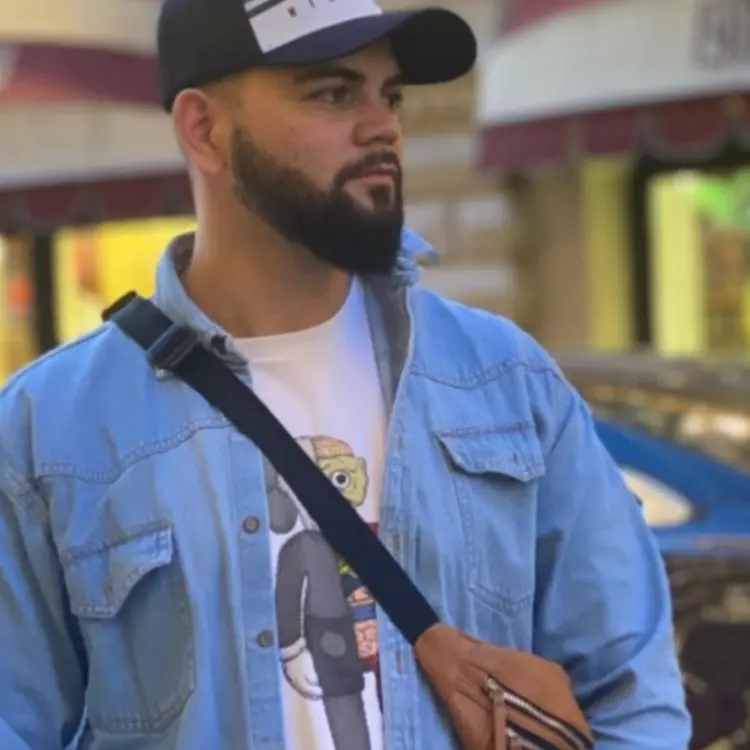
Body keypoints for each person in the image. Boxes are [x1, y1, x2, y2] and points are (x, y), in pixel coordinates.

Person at [0, 0, 691, 748]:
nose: (382, 126)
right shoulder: (50, 427)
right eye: (332, 93)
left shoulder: (505, 381)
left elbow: (632, 696)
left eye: (389, 95)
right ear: (204, 130)